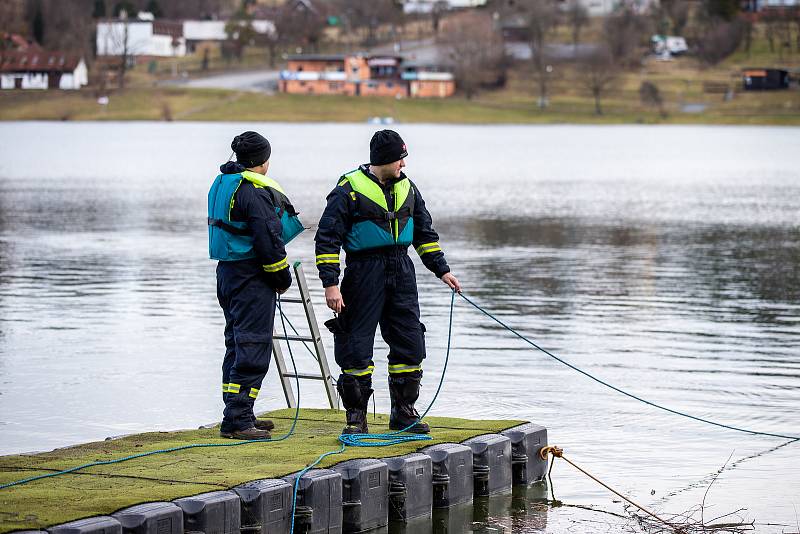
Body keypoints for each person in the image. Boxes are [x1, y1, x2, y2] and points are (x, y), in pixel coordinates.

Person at [314, 129, 461, 435]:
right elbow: (327, 239)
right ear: (383, 160)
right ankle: (356, 420)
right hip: (362, 272)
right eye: (399, 160)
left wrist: (442, 270)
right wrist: (331, 284)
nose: (403, 166)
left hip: (401, 269)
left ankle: (404, 414)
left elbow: (424, 234)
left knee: (410, 341)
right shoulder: (347, 191)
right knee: (355, 345)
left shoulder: (408, 188)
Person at [208, 131, 302, 440]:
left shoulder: (224, 183)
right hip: (251, 276)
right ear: (262, 161)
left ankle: (238, 411)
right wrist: (282, 278)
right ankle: (237, 419)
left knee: (236, 343)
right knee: (252, 345)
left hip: (228, 272)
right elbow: (269, 242)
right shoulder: (254, 192)